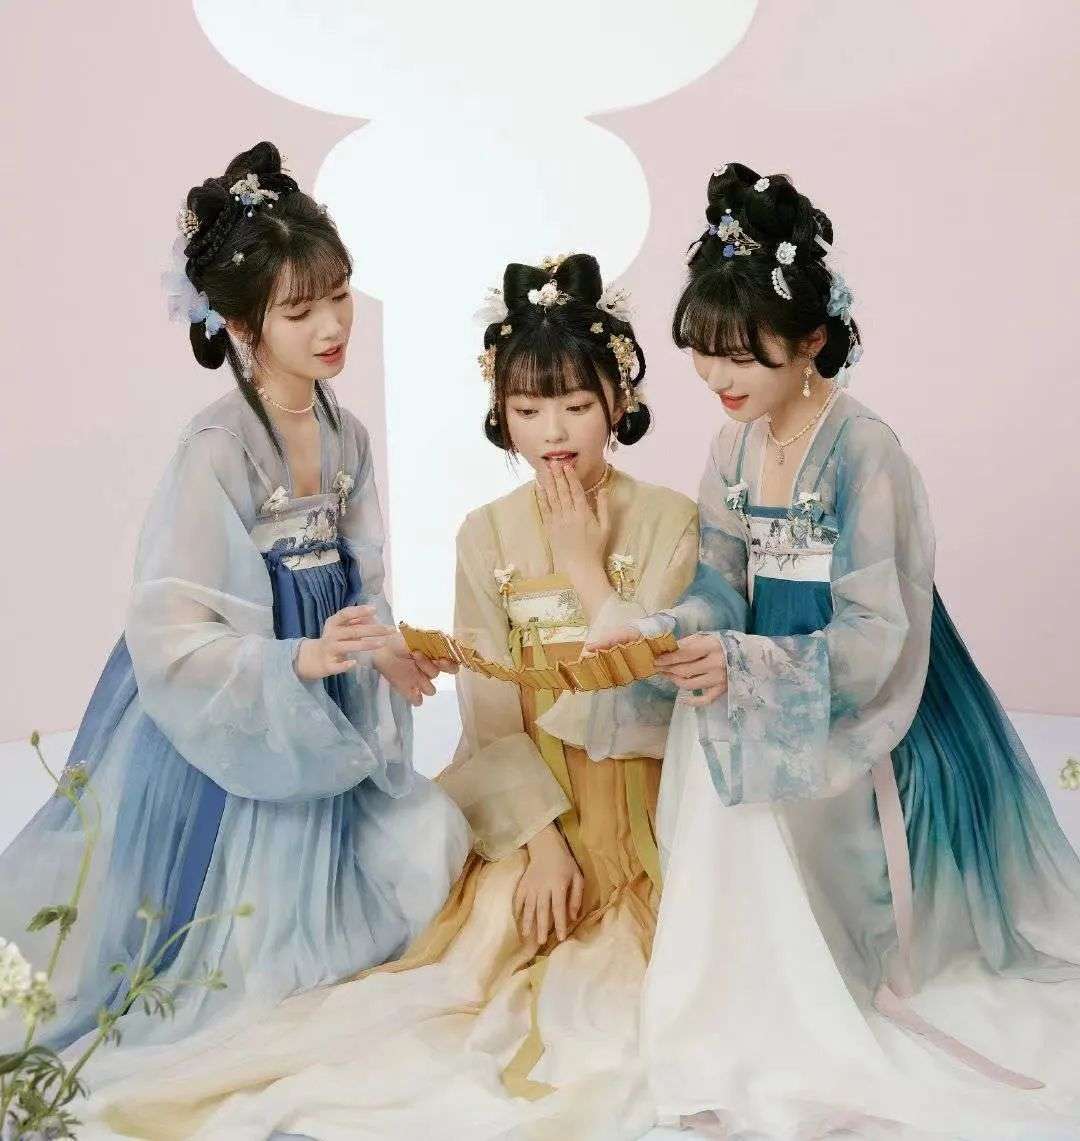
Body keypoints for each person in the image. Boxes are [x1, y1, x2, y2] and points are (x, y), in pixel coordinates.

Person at [78, 253, 698, 1140]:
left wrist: (582, 566)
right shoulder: (486, 534)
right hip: (540, 814)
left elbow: (659, 702)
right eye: (527, 410)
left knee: (631, 1000)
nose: (553, 431)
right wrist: (541, 841)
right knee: (468, 974)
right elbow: (489, 711)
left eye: (575, 405)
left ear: (618, 399)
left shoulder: (672, 520)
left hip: (647, 815)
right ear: (501, 414)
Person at [595, 162, 1080, 1139]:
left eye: (744, 355)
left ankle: (796, 985)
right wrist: (679, 633)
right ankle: (727, 983)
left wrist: (750, 667)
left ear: (812, 340)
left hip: (858, 689)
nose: (719, 378)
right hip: (764, 671)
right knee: (707, 731)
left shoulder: (866, 450)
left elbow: (876, 633)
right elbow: (720, 584)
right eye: (706, 354)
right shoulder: (732, 447)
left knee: (765, 768)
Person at [0, 142, 470, 1059]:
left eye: (340, 296)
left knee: (419, 853)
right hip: (239, 706)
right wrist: (296, 657)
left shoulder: (346, 431)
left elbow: (361, 575)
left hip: (323, 689)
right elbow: (174, 624)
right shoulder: (218, 444)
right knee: (237, 947)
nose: (332, 325)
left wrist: (383, 647)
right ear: (243, 323)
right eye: (300, 310)